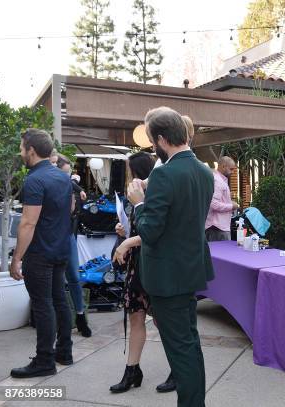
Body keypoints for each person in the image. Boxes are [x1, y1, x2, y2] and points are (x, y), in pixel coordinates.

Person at [127, 106, 214, 407]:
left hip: (167, 276)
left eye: (152, 141)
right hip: (189, 270)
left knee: (181, 350)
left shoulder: (165, 173)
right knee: (189, 345)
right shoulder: (204, 171)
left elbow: (151, 231)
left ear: (163, 139)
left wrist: (139, 204)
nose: (152, 147)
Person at [109, 151, 176, 393]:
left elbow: (157, 233)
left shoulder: (157, 192)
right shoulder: (134, 195)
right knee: (136, 316)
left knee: (163, 320)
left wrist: (129, 241)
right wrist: (124, 230)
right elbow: (139, 228)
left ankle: (177, 368)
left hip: (154, 265)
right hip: (137, 265)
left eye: (130, 170)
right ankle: (132, 370)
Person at [10, 129, 73, 378]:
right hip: (60, 249)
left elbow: (28, 223)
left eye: (21, 147)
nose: (20, 151)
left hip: (40, 253)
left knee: (43, 304)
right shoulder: (62, 177)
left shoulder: (34, 180)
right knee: (58, 300)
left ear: (31, 151)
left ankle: (45, 360)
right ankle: (64, 352)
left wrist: (17, 258)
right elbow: (67, 210)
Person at [55, 154, 92, 337]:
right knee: (58, 280)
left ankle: (80, 316)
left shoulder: (66, 184)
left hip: (68, 234)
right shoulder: (51, 185)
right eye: (64, 174)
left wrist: (78, 189)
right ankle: (61, 320)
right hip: (53, 237)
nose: (67, 178)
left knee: (74, 278)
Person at [205, 156, 238, 241]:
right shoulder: (218, 181)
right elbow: (213, 204)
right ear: (223, 166)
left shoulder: (219, 179)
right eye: (231, 169)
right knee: (221, 253)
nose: (233, 172)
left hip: (218, 227)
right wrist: (232, 206)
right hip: (217, 228)